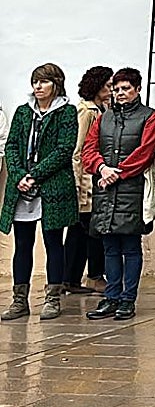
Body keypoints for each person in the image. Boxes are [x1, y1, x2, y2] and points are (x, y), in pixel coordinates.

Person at [81, 67, 155, 321]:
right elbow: (89, 149)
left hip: (132, 189)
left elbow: (145, 153)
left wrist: (119, 172)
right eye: (116, 89)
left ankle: (128, 299)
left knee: (130, 246)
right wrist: (102, 168)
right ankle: (111, 297)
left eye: (125, 88)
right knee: (109, 247)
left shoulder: (150, 117)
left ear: (137, 89)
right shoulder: (103, 117)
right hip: (106, 189)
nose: (120, 93)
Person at [0, 64, 79, 321]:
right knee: (22, 244)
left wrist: (34, 175)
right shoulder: (24, 112)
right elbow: (11, 145)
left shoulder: (66, 112)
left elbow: (64, 149)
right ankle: (19, 300)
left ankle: (53, 298)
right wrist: (19, 175)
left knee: (53, 243)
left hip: (51, 187)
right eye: (35, 81)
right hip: (22, 187)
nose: (38, 86)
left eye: (43, 82)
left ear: (56, 84)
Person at [65, 65, 112, 295]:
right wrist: (78, 183)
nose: (111, 89)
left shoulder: (100, 109)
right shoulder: (87, 111)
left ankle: (73, 278)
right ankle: (79, 277)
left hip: (93, 180)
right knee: (84, 231)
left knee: (86, 231)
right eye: (108, 85)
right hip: (86, 181)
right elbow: (78, 149)